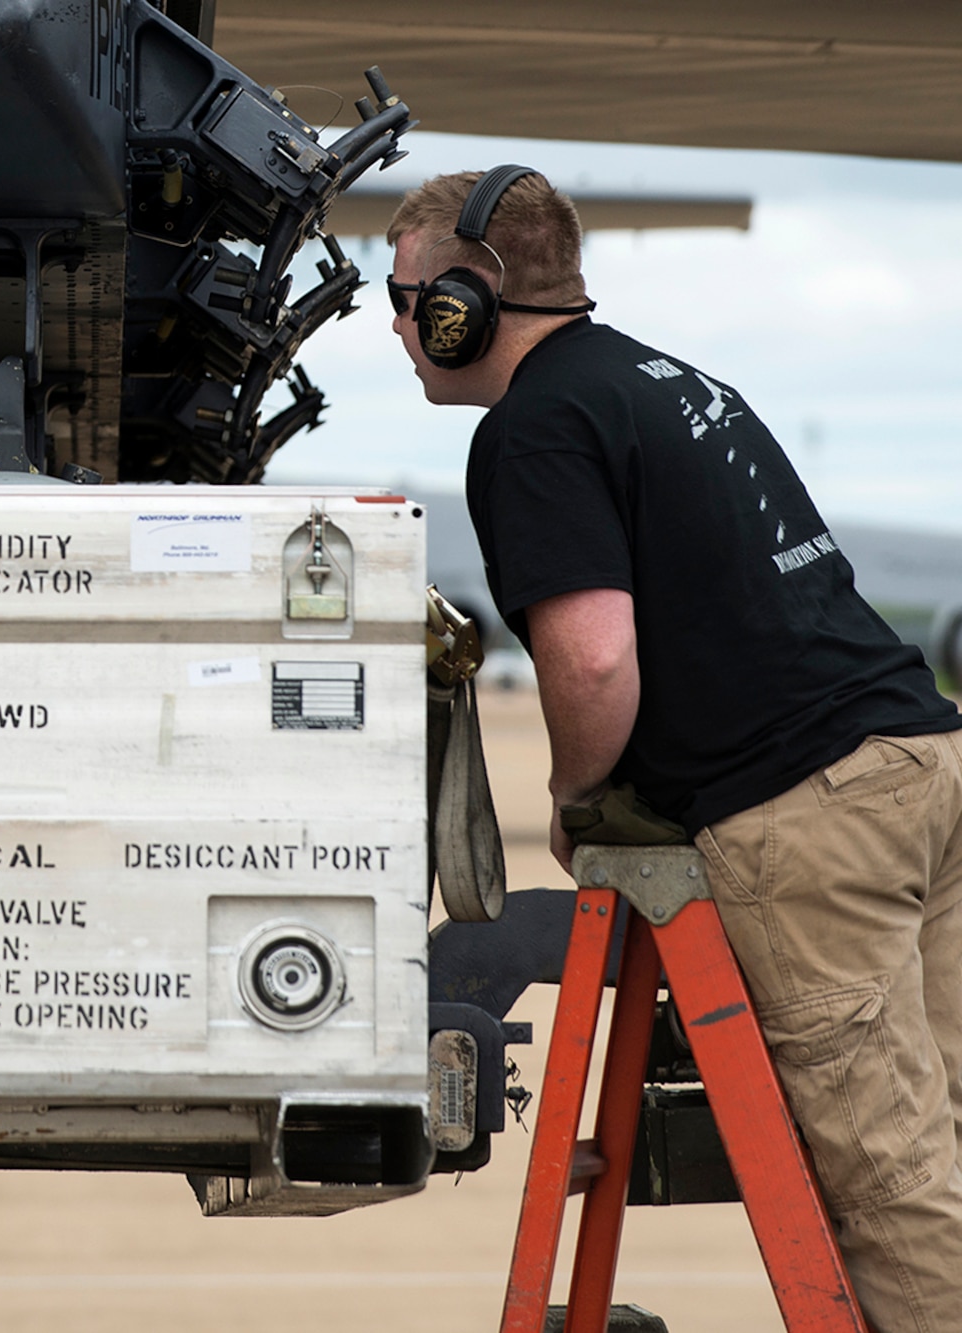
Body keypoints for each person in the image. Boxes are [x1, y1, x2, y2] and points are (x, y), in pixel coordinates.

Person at [387, 166, 962, 1332]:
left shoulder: (535, 427)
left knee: (894, 1187)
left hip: (805, 822)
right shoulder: (674, 380)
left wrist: (572, 792)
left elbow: (593, 661)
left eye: (405, 300)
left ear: (466, 301)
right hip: (923, 761)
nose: (397, 328)